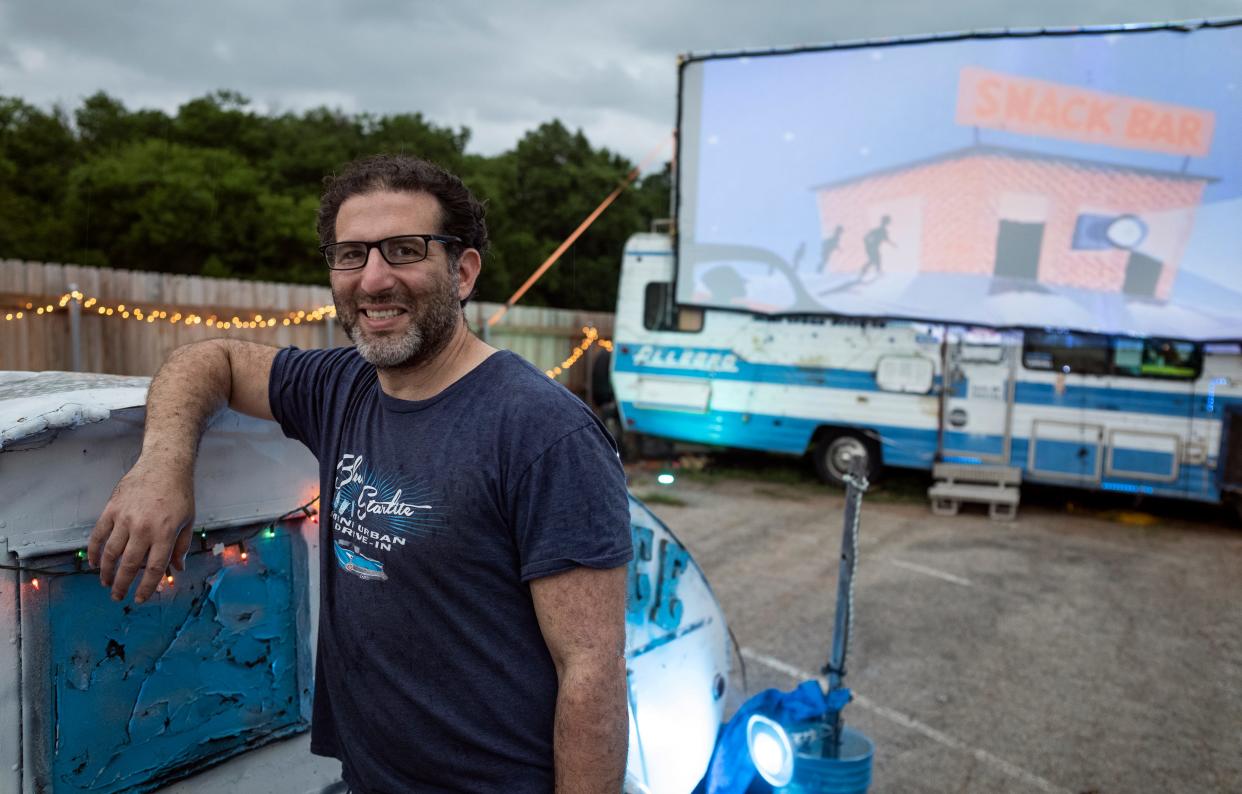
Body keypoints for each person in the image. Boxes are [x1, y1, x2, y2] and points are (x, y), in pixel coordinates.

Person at [87, 155, 633, 793]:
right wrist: (162, 464)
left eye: (404, 250)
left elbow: (591, 671)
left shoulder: (542, 432)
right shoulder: (341, 387)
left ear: (462, 271)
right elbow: (209, 360)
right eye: (350, 255)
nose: (373, 280)